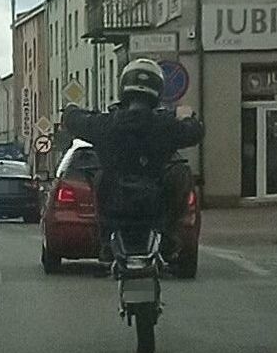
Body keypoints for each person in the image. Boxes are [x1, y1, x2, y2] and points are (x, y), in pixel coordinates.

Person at [62, 58, 204, 263]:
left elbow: (75, 121)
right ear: (158, 90)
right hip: (155, 208)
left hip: (117, 206)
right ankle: (169, 238)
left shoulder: (106, 124)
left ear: (124, 88)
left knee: (99, 175)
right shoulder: (166, 126)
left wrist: (72, 109)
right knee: (182, 172)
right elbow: (196, 132)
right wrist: (187, 116)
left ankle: (106, 243)